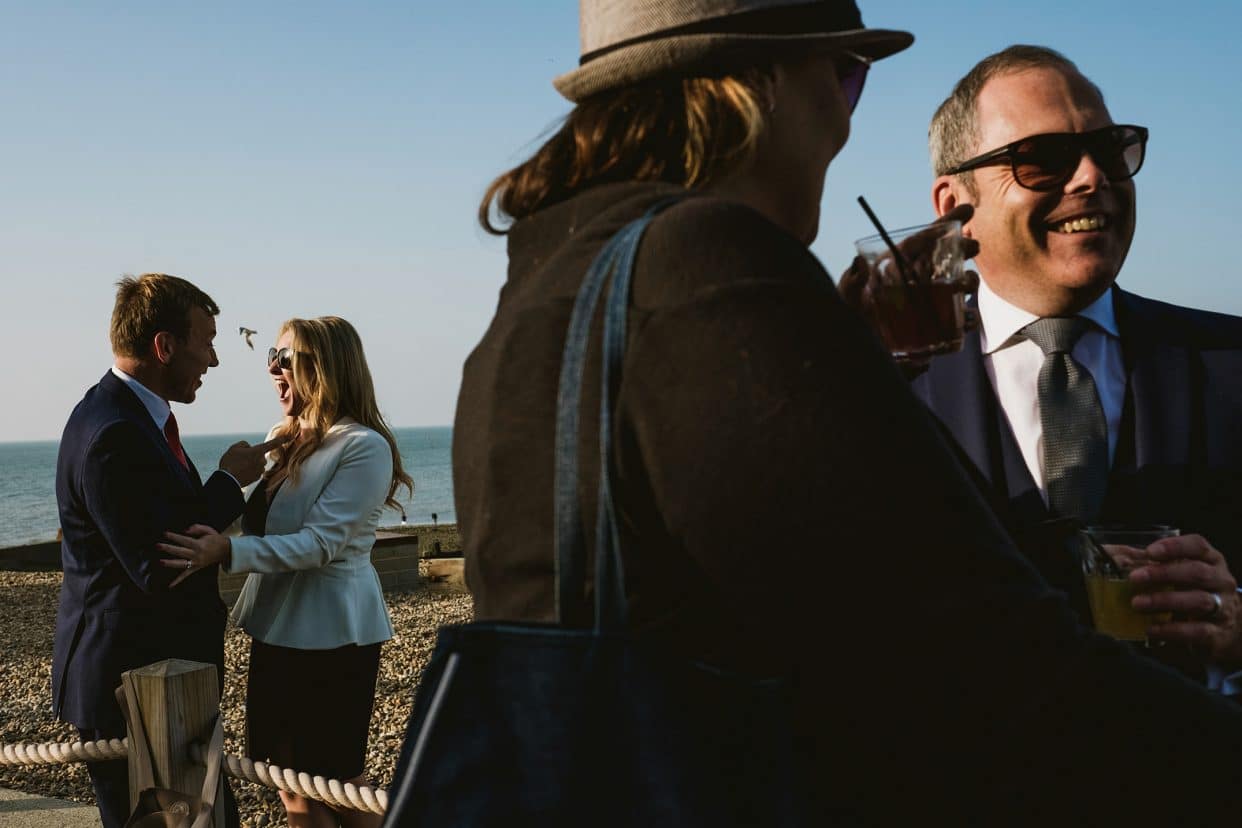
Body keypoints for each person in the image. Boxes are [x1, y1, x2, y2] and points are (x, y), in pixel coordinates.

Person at [453, 1, 1242, 823]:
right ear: (757, 83)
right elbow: (989, 658)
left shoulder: (551, 290)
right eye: (847, 74)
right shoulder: (712, 274)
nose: (844, 118)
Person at [907, 45, 1242, 685]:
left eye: (1111, 149)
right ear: (955, 205)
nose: (1093, 176)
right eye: (1043, 161)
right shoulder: (887, 387)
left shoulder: (1229, 363)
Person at [158, 316, 411, 828]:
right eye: (270, 357)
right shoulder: (282, 437)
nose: (273, 369)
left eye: (285, 359)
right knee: (289, 784)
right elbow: (264, 523)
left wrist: (226, 554)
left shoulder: (363, 446)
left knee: (338, 786)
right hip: (278, 630)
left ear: (327, 368)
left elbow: (322, 543)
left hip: (335, 635)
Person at [53, 273, 277, 828]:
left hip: (162, 685)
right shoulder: (113, 434)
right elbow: (160, 563)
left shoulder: (123, 418)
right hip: (134, 690)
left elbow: (166, 527)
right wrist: (229, 481)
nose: (215, 360)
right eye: (207, 342)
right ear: (164, 346)